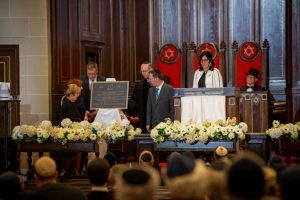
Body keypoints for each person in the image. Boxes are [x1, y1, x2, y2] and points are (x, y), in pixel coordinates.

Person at [129, 61, 153, 132]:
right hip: (143, 117)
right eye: (141, 71)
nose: (142, 73)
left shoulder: (159, 82)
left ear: (151, 70)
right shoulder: (140, 84)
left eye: (144, 71)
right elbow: (134, 100)